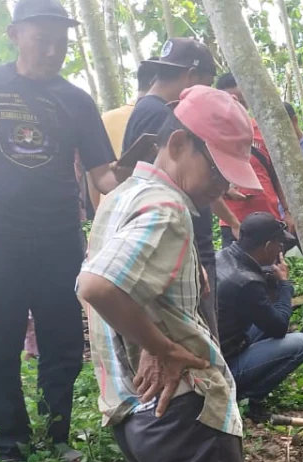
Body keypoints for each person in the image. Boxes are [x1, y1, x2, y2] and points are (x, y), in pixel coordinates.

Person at [77, 85, 257, 462]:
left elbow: (107, 286)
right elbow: (99, 286)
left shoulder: (121, 194)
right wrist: (162, 347)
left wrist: (148, 337)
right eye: (217, 169)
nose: (222, 186)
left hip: (136, 414)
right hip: (187, 418)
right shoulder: (168, 207)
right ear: (179, 144)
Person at [0, 0, 126, 462]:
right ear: (15, 34)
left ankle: (57, 434)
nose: (53, 50)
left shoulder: (77, 101)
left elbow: (103, 176)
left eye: (61, 42)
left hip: (60, 237)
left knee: (62, 340)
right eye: (43, 39)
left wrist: (140, 177)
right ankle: (9, 446)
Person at [121, 38, 233, 336]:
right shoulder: (163, 115)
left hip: (185, 245)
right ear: (193, 78)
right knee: (199, 339)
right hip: (184, 246)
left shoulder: (146, 109)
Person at [215, 214, 303, 418]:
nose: (280, 249)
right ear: (268, 245)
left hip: (218, 343)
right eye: (279, 244)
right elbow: (278, 327)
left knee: (266, 320)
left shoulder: (222, 256)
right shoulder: (247, 282)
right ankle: (247, 398)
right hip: (224, 364)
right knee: (301, 344)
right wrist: (285, 285)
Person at [214, 73, 289, 248]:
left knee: (274, 271)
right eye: (231, 100)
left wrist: (286, 211)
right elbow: (205, 179)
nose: (237, 105)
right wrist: (226, 189)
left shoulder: (262, 130)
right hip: (233, 221)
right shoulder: (213, 134)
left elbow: (276, 175)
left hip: (268, 219)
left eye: (241, 100)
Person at [88, 61, 156, 213]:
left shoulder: (106, 118)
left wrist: (98, 213)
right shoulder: (158, 115)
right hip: (142, 211)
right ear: (156, 82)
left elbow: (92, 174)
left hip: (109, 210)